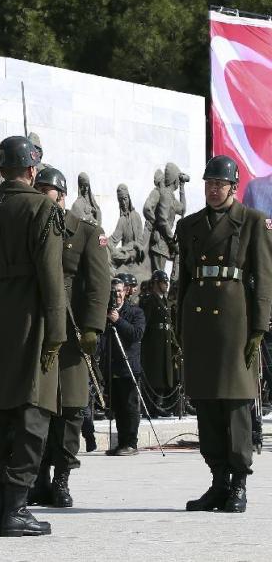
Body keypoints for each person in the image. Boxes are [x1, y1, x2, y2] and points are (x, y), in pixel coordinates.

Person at [0, 135, 65, 537]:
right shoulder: (43, 208)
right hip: (32, 319)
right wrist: (55, 332)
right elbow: (51, 277)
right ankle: (17, 509)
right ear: (33, 170)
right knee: (32, 414)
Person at [177, 156, 272, 513]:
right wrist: (179, 325)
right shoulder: (189, 226)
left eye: (220, 184)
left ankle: (239, 483)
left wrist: (259, 328)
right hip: (199, 322)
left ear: (233, 187)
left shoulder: (252, 221)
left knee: (234, 404)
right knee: (205, 403)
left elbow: (264, 278)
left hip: (235, 322)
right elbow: (182, 281)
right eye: (209, 183)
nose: (213, 189)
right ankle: (218, 480)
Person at [30, 167, 109, 508]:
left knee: (71, 408)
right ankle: (37, 478)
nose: (40, 196)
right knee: (37, 409)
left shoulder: (86, 233)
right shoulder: (29, 230)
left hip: (73, 332)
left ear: (61, 196)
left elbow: (98, 284)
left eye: (45, 190)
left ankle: (62, 477)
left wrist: (92, 327)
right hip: (37, 331)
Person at [98, 278, 146, 456]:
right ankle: (121, 443)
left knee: (130, 407)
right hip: (112, 367)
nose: (116, 294)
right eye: (113, 291)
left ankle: (131, 443)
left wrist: (118, 321)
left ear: (125, 291)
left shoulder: (135, 312)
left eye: (119, 291)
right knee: (117, 408)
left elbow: (136, 334)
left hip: (129, 367)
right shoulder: (105, 313)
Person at [140, 270, 177, 417]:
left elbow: (169, 325)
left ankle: (158, 405)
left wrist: (174, 344)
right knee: (153, 376)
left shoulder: (165, 301)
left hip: (165, 344)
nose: (166, 285)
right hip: (153, 345)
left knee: (163, 376)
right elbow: (145, 323)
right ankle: (150, 407)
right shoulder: (149, 300)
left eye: (167, 282)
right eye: (163, 282)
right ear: (155, 283)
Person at [150, 163, 187, 272]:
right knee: (158, 280)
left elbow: (182, 209)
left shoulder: (171, 196)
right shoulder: (165, 196)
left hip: (164, 245)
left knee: (161, 279)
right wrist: (172, 241)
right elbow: (162, 220)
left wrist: (182, 187)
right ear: (175, 179)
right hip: (160, 244)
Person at [109, 184, 146, 270]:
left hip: (136, 254)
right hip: (125, 255)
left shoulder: (137, 216)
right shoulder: (122, 220)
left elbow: (140, 241)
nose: (123, 203)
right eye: (120, 200)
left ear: (129, 198)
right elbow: (113, 239)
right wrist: (101, 240)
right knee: (113, 254)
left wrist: (134, 246)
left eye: (125, 199)